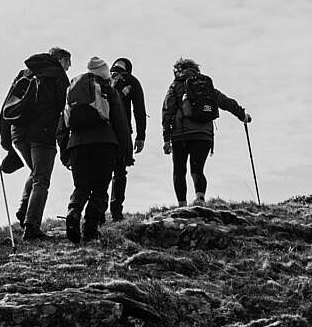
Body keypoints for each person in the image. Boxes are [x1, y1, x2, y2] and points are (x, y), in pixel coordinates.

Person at [57, 57, 133, 244]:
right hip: (105, 144)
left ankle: (73, 212)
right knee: (100, 188)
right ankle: (90, 229)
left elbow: (62, 125)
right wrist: (127, 153)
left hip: (77, 144)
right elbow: (121, 123)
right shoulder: (109, 90)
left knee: (81, 186)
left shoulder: (73, 91)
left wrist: (65, 152)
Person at [0, 47, 72, 240]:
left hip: (18, 133)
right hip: (43, 134)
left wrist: (6, 143)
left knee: (35, 172)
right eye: (68, 62)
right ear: (61, 59)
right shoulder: (58, 76)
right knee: (41, 178)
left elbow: (6, 106)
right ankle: (31, 226)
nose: (69, 67)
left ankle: (24, 210)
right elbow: (63, 112)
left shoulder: (25, 73)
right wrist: (64, 143)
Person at [162, 58, 251, 206]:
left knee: (179, 170)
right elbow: (225, 101)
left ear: (177, 71)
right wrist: (243, 115)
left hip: (180, 135)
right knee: (197, 169)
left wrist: (166, 139)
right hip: (203, 134)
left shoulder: (176, 86)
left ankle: (182, 206)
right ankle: (200, 198)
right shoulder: (205, 85)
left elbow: (167, 111)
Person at [105, 57, 147, 221]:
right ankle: (116, 212)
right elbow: (139, 110)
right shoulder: (131, 80)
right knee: (120, 172)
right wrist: (140, 136)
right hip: (122, 132)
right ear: (128, 68)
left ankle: (97, 213)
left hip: (101, 132)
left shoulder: (103, 79)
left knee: (102, 172)